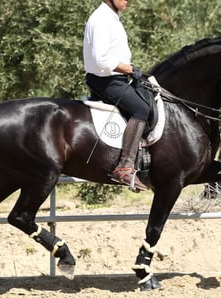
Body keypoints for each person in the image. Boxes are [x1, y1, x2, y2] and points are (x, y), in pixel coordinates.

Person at [83, 0, 149, 192]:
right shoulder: (101, 19)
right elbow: (101, 59)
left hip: (116, 79)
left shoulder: (112, 18)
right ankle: (125, 167)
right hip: (107, 81)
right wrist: (130, 69)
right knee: (141, 109)